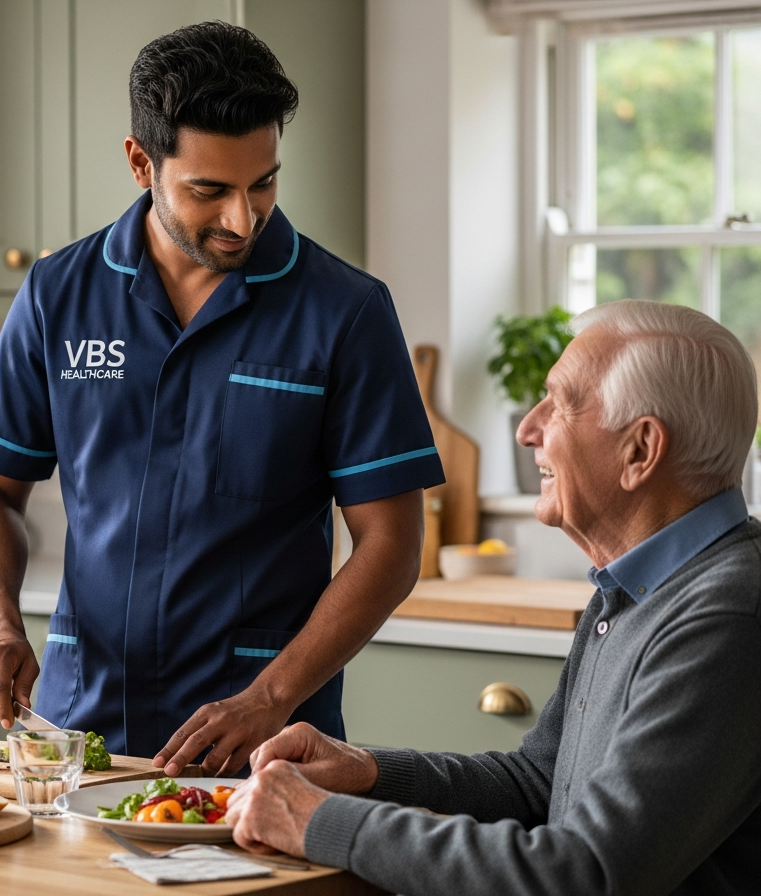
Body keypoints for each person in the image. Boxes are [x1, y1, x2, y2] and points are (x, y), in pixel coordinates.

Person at [0, 21, 444, 774]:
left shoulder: (346, 312)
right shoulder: (59, 295)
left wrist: (270, 696)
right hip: (80, 735)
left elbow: (392, 545)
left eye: (264, 182)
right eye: (210, 190)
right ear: (140, 162)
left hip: (263, 747)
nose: (243, 219)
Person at [227, 299, 761, 894]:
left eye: (559, 404)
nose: (527, 428)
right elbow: (536, 783)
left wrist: (319, 821)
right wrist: (370, 773)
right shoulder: (633, 588)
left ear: (639, 450)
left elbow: (584, 874)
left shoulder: (727, 616)